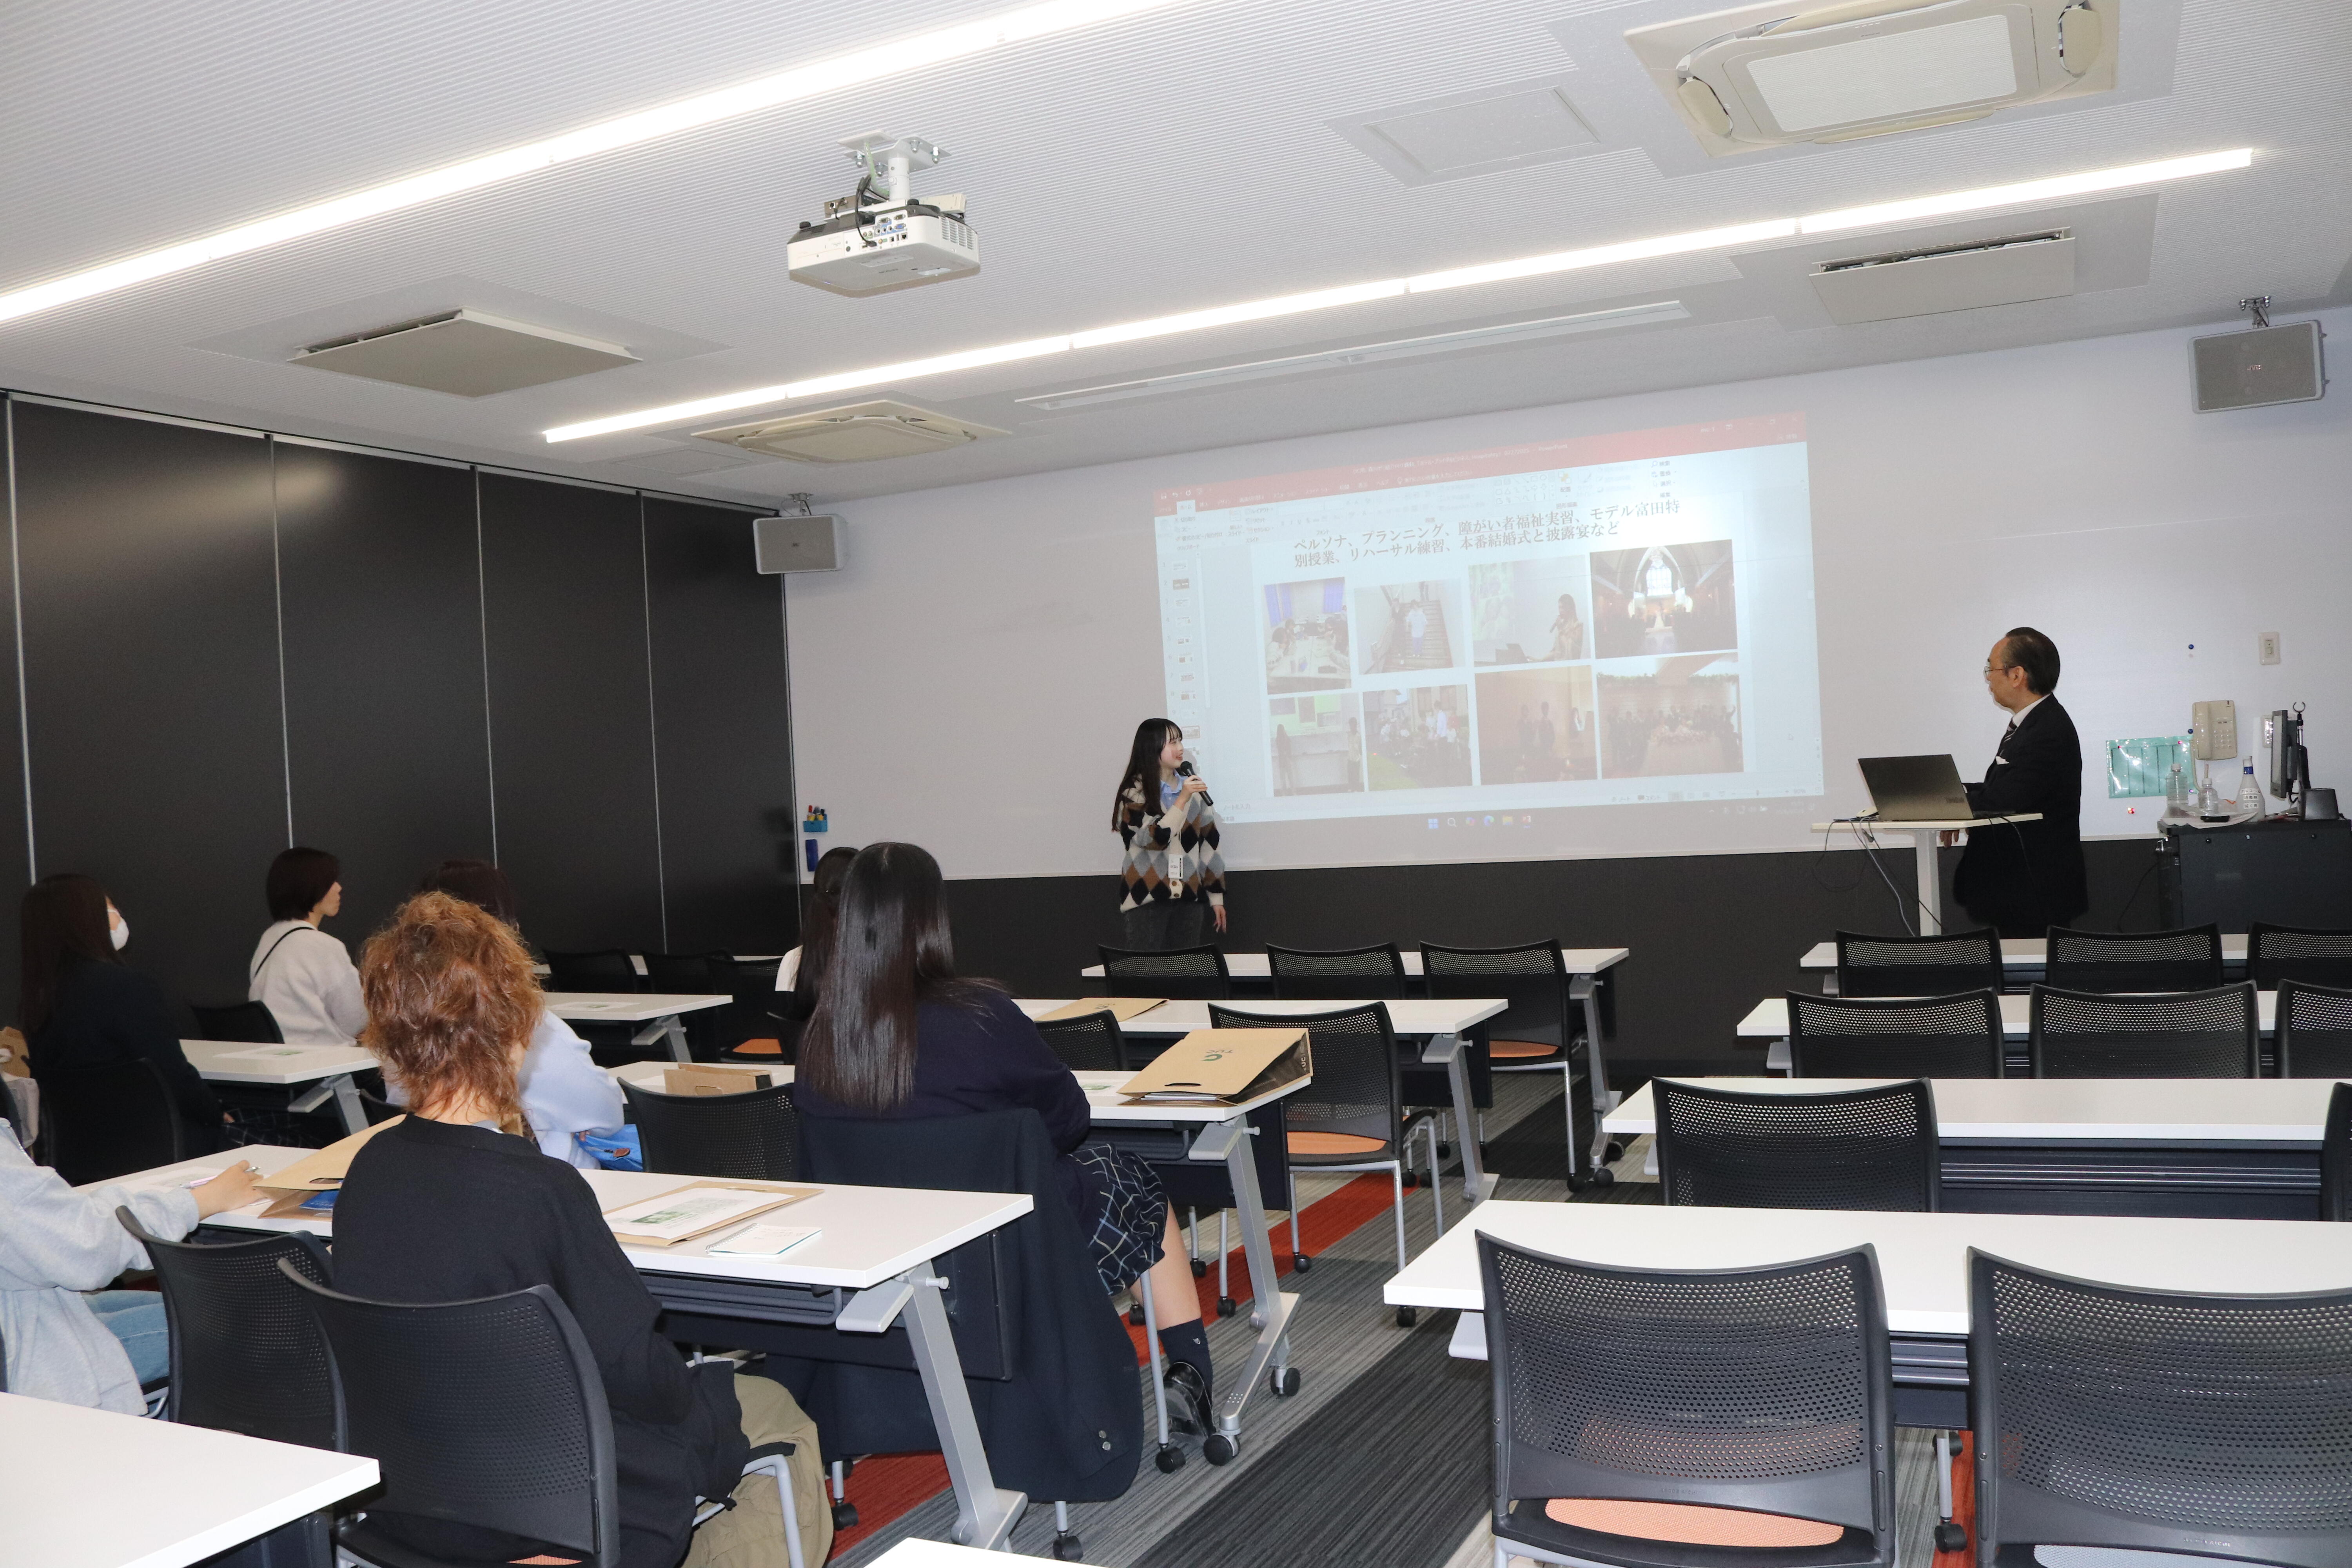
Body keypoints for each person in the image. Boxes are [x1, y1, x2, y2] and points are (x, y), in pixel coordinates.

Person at [334, 891, 829, 1568]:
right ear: (516, 1031)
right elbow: (643, 1378)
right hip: (559, 1501)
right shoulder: (542, 1190)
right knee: (771, 1411)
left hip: (415, 1497)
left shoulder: (367, 1172)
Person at [795, 842, 1216, 1431]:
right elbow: (1071, 1120)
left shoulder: (821, 1037)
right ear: (932, 920)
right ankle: (1191, 1373)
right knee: (1136, 1182)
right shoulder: (981, 1014)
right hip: (1009, 1248)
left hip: (884, 1254)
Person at [0, 1125, 263, 1411]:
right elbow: (88, 1251)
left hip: (28, 1306)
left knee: (204, 1307)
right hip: (25, 1355)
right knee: (244, 1323)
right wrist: (199, 1202)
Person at [412, 859, 624, 1169]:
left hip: (437, 1175)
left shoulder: (404, 1028)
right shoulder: (532, 1025)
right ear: (505, 930)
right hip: (537, 1177)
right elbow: (606, 1115)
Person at [22, 873, 230, 1154]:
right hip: (160, 1145)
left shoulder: (39, 998)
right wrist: (216, 1114)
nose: (119, 917)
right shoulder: (124, 987)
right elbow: (173, 1076)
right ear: (86, 921)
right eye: (110, 908)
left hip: (80, 1153)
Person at [1952, 627, 2090, 938]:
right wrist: (1952, 797)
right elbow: (1999, 789)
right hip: (2018, 892)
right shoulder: (2032, 723)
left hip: (2034, 892)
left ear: (2017, 675)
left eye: (1991, 669)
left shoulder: (2048, 729)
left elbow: (2006, 800)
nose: (1988, 679)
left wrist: (1948, 805)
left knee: (2029, 969)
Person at [1112, 719, 1225, 951]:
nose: (1180, 748)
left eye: (1180, 741)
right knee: (1150, 970)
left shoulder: (1194, 792)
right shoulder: (1133, 792)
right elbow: (1154, 839)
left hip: (1189, 900)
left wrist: (1216, 897)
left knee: (1184, 970)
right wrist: (1182, 799)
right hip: (1146, 899)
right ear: (1152, 747)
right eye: (1172, 742)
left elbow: (1210, 843)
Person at [249, 847, 366, 1045]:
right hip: (326, 1061)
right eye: (331, 881)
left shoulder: (269, 941)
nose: (339, 888)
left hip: (276, 1058)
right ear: (312, 887)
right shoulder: (324, 947)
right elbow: (357, 1022)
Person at [1548, 592, 1585, 661]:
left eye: (1563, 608)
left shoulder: (1578, 626)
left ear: (1570, 608)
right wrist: (1540, 660)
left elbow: (1569, 651)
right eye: (1559, 608)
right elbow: (1557, 652)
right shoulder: (1560, 627)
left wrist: (1561, 629)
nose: (1561, 611)